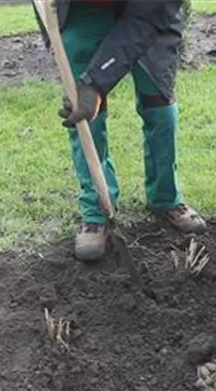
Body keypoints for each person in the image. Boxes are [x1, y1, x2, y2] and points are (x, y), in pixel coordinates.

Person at [33, 0, 206, 261]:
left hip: (150, 10)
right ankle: (96, 209)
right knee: (83, 107)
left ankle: (166, 197)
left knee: (159, 102)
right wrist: (53, 35)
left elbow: (148, 16)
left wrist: (97, 82)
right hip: (83, 9)